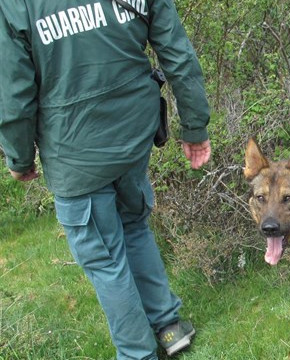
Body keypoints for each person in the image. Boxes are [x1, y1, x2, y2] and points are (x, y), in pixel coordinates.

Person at [0, 1, 211, 359]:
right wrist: (194, 125)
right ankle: (168, 326)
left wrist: (18, 157)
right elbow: (177, 53)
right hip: (133, 134)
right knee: (133, 225)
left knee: (103, 257)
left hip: (73, 150)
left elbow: (14, 92)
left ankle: (136, 353)